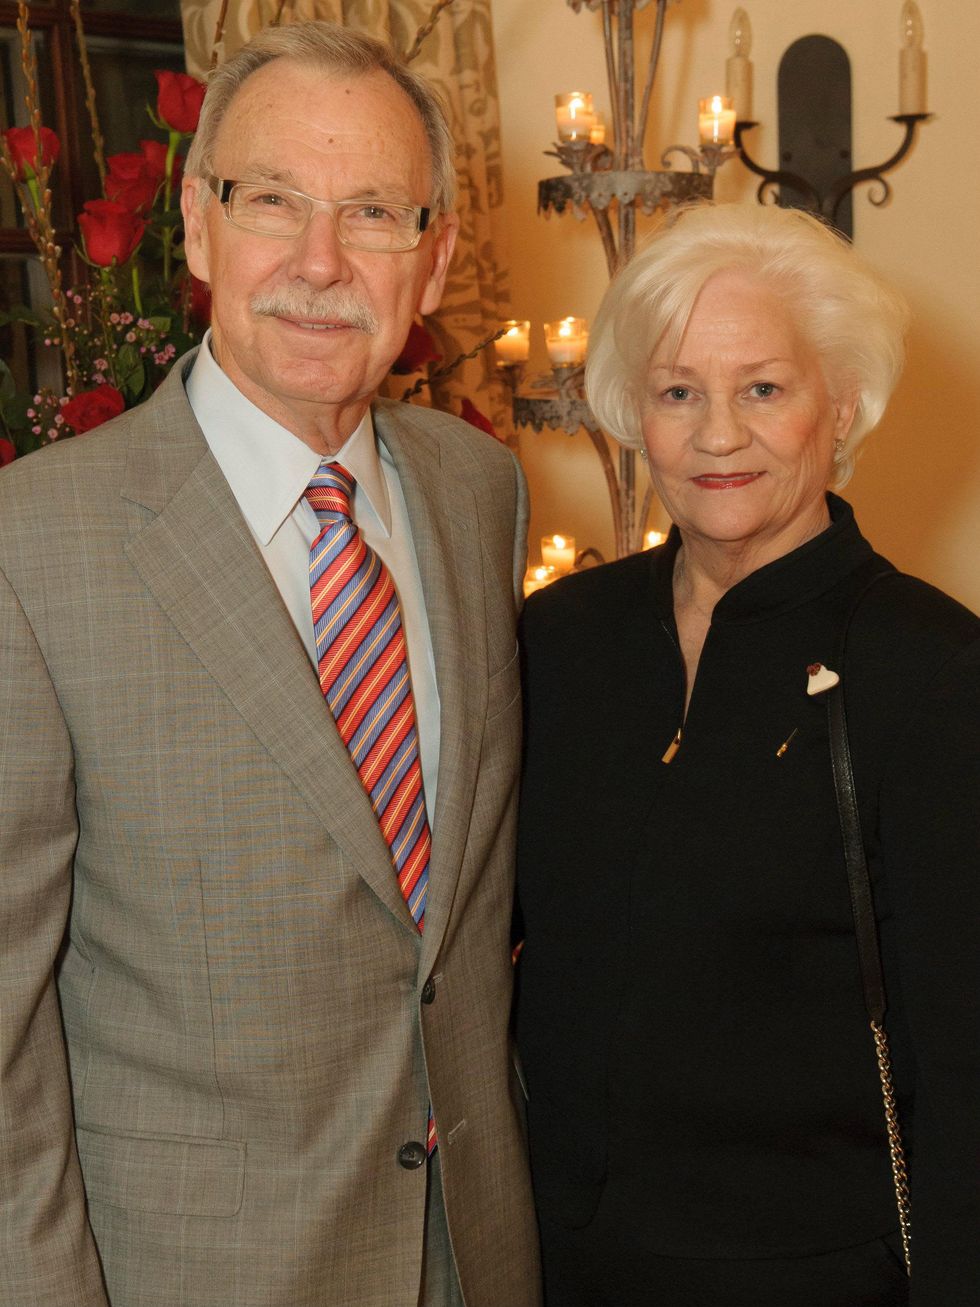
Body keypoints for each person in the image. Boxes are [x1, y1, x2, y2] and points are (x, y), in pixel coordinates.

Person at [0, 22, 540, 1307]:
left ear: (434, 258)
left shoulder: (480, 493)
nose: (318, 263)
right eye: (272, 201)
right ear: (194, 225)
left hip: (474, 1255)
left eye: (373, 213)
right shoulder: (33, 546)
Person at [515, 202, 979, 1307]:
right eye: (677, 391)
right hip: (555, 1259)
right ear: (634, 412)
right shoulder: (559, 636)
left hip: (817, 1272)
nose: (715, 433)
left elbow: (967, 1067)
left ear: (843, 403)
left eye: (762, 388)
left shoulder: (927, 665)